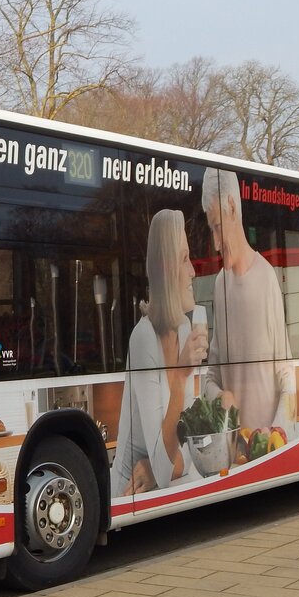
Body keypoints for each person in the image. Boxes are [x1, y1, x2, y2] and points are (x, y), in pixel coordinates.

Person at [112, 210, 208, 495]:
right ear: (166, 269)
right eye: (184, 259)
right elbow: (166, 470)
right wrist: (179, 377)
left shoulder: (182, 328)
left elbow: (190, 449)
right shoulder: (143, 338)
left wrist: (159, 464)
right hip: (130, 494)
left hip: (164, 492)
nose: (193, 270)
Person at [200, 167, 295, 431]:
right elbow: (211, 377)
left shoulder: (266, 278)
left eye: (217, 227)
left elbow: (286, 373)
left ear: (232, 206)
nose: (216, 243)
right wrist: (219, 397)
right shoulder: (220, 284)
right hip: (235, 453)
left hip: (267, 449)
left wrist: (275, 433)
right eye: (211, 230)